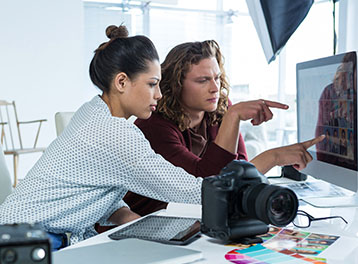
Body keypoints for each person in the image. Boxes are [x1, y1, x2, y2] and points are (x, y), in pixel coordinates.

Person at [0, 25, 203, 245]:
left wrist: (127, 217)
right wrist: (239, 188)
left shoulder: (92, 111)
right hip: (27, 244)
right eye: (152, 84)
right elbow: (185, 190)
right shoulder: (114, 133)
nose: (159, 94)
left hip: (21, 232)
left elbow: (89, 185)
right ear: (122, 82)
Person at [124, 40, 324, 216]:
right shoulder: (153, 126)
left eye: (217, 78)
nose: (215, 88)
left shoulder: (219, 109)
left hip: (192, 220)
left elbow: (241, 175)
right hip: (142, 224)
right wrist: (274, 157)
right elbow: (208, 186)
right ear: (175, 85)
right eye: (202, 80)